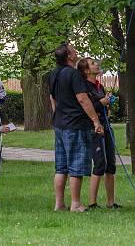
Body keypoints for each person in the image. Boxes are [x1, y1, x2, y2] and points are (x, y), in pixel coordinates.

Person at [47, 42, 103, 212]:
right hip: (76, 125)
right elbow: (83, 99)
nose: (75, 50)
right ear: (69, 56)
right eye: (73, 49)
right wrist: (95, 120)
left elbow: (52, 99)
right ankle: (76, 203)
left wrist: (58, 115)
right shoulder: (74, 74)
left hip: (60, 124)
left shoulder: (53, 74)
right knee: (76, 165)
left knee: (61, 166)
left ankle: (59, 204)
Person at [79, 58, 118, 209]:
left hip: (107, 126)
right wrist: (100, 103)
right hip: (94, 128)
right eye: (93, 64)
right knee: (100, 163)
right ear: (87, 71)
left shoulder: (99, 86)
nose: (97, 65)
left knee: (111, 164)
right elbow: (86, 107)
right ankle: (92, 202)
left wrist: (108, 101)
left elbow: (102, 105)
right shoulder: (84, 87)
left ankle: (110, 202)